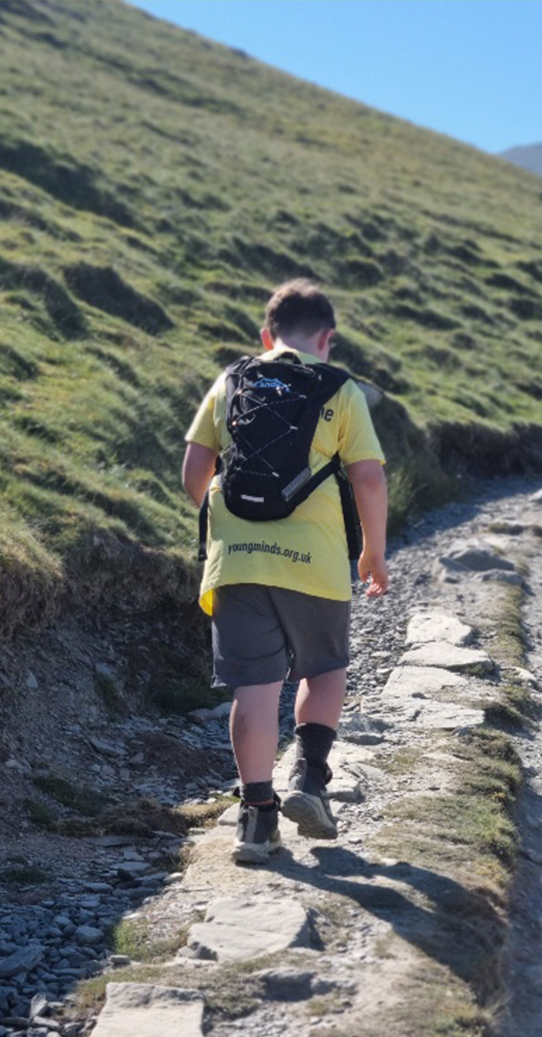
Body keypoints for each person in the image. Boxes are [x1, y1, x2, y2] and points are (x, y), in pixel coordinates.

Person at [181, 279, 391, 864]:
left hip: (235, 562)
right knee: (323, 672)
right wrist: (373, 550)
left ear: (265, 335)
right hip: (316, 559)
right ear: (327, 338)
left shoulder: (232, 380)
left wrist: (224, 520)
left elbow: (195, 469)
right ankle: (311, 782)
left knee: (253, 690)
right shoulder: (338, 388)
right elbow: (369, 477)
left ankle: (255, 819)